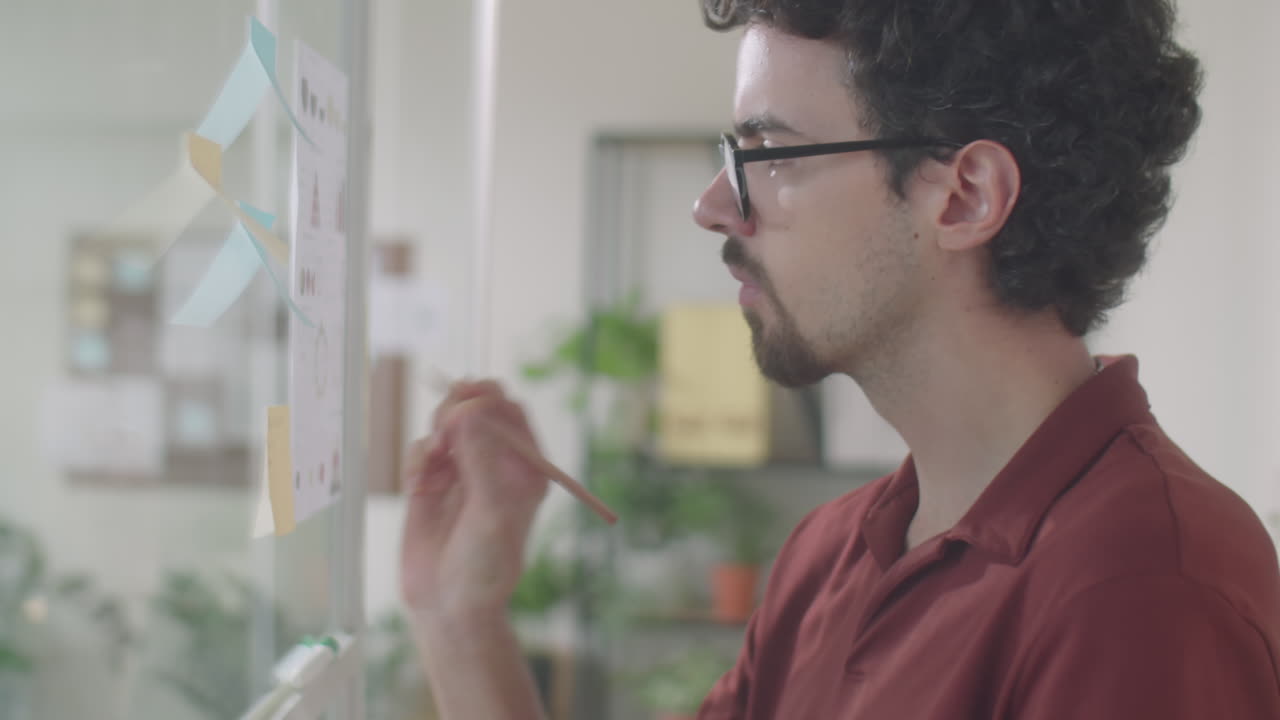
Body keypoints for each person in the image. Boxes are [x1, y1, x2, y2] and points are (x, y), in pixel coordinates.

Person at [399, 0, 1280, 717]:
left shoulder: (1142, 591)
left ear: (966, 195)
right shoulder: (835, 552)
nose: (714, 207)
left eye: (771, 153)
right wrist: (458, 618)